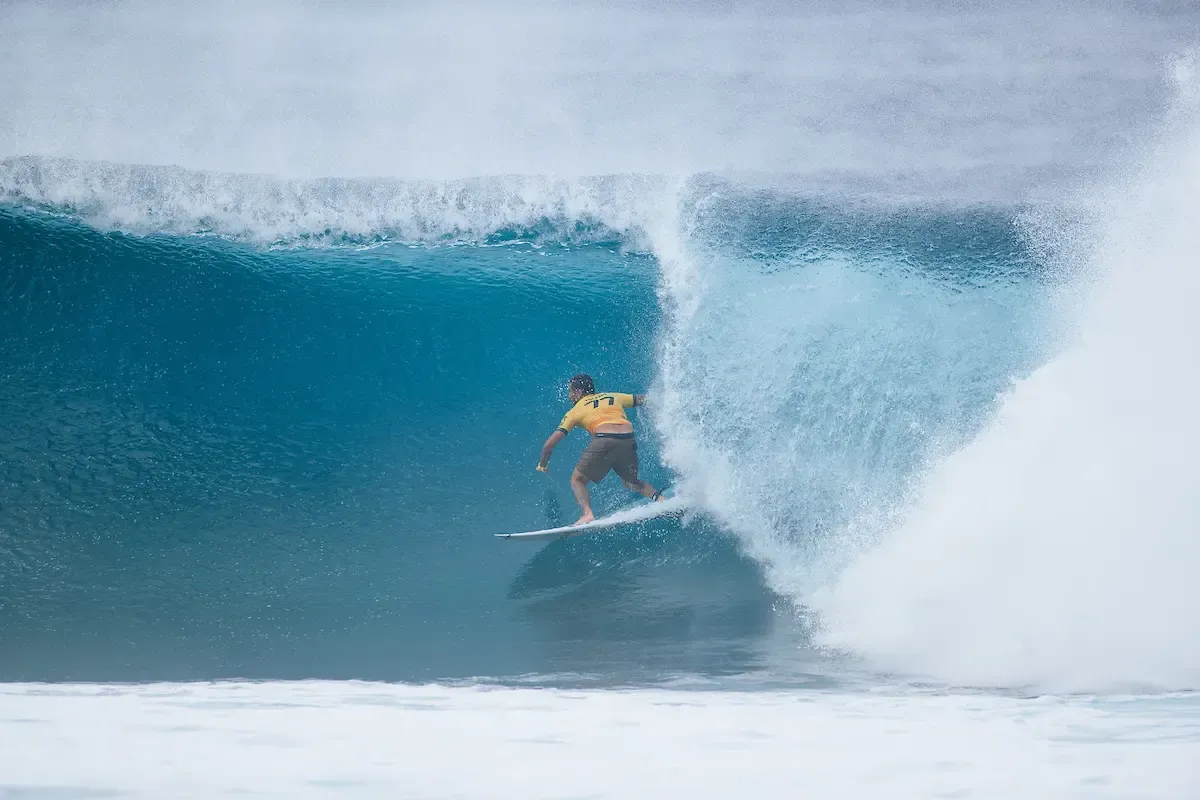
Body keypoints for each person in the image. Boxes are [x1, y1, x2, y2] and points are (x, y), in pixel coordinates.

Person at [536, 374, 663, 525]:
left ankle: (587, 514)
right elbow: (645, 399)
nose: (570, 396)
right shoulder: (612, 396)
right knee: (632, 482)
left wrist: (542, 465)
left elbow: (549, 445)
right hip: (628, 438)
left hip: (605, 438)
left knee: (577, 480)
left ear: (578, 392)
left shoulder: (575, 411)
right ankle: (661, 500)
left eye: (571, 392)